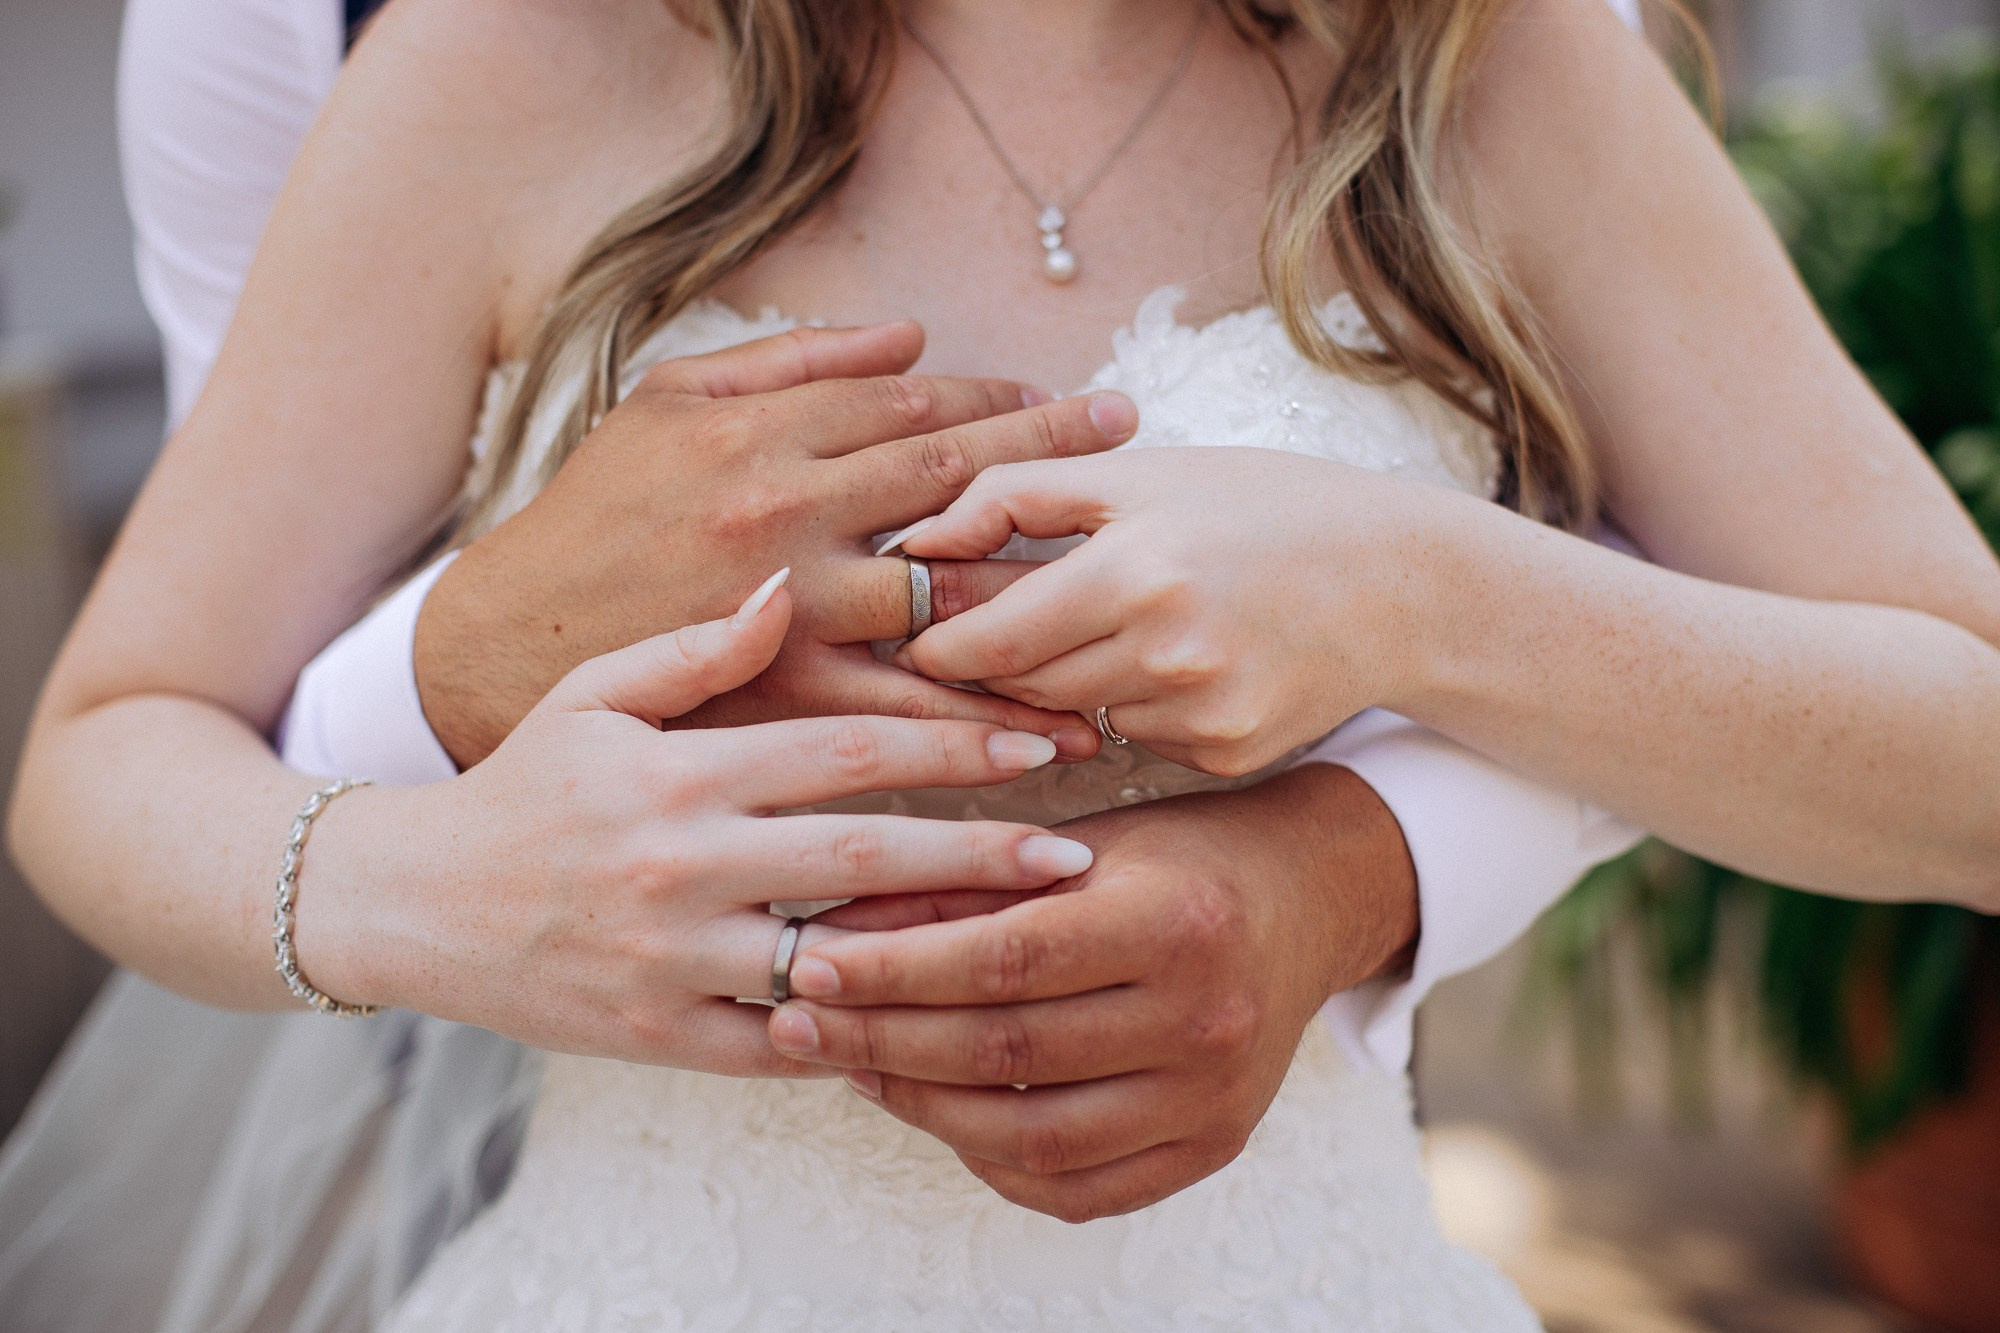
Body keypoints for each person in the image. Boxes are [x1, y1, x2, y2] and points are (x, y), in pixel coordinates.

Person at [3, 0, 1804, 1326]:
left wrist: (1409, 605)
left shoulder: (1486, 65)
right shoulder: (508, 61)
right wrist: (454, 889)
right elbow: (107, 748)